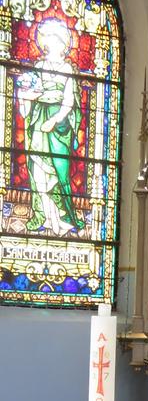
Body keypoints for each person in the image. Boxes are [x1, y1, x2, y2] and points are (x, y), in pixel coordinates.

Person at [16, 19, 84, 237]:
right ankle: (45, 217)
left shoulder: (67, 69)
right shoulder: (38, 67)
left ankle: (63, 218)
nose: (49, 44)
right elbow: (30, 95)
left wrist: (54, 121)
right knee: (39, 172)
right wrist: (23, 96)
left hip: (59, 124)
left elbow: (69, 101)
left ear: (62, 42)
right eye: (46, 39)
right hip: (38, 120)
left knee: (59, 172)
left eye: (54, 39)